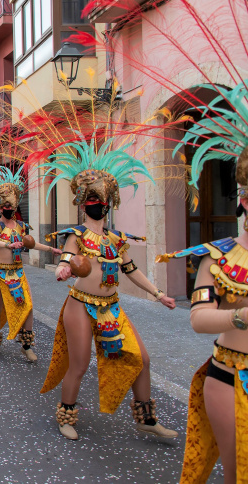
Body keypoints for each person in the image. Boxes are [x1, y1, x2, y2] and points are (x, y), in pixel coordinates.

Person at [39, 138, 178, 441]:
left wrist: (158, 294)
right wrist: (64, 269)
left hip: (111, 307)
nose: (98, 206)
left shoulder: (117, 240)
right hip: (80, 305)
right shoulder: (76, 235)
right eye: (93, 201)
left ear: (110, 203)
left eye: (102, 202)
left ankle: (146, 418)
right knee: (79, 364)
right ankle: (66, 413)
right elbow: (66, 259)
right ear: (83, 202)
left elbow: (132, 270)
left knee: (141, 358)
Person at [155, 82, 248, 481]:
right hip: (232, 377)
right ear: (243, 196)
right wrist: (240, 316)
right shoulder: (219, 257)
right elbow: (199, 319)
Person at [0, 167, 61, 362]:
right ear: (0, 207)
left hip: (18, 272)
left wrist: (51, 250)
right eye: (5, 207)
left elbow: (32, 243)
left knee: (28, 306)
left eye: (12, 206)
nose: (9, 210)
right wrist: (8, 244)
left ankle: (26, 345)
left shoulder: (22, 226)